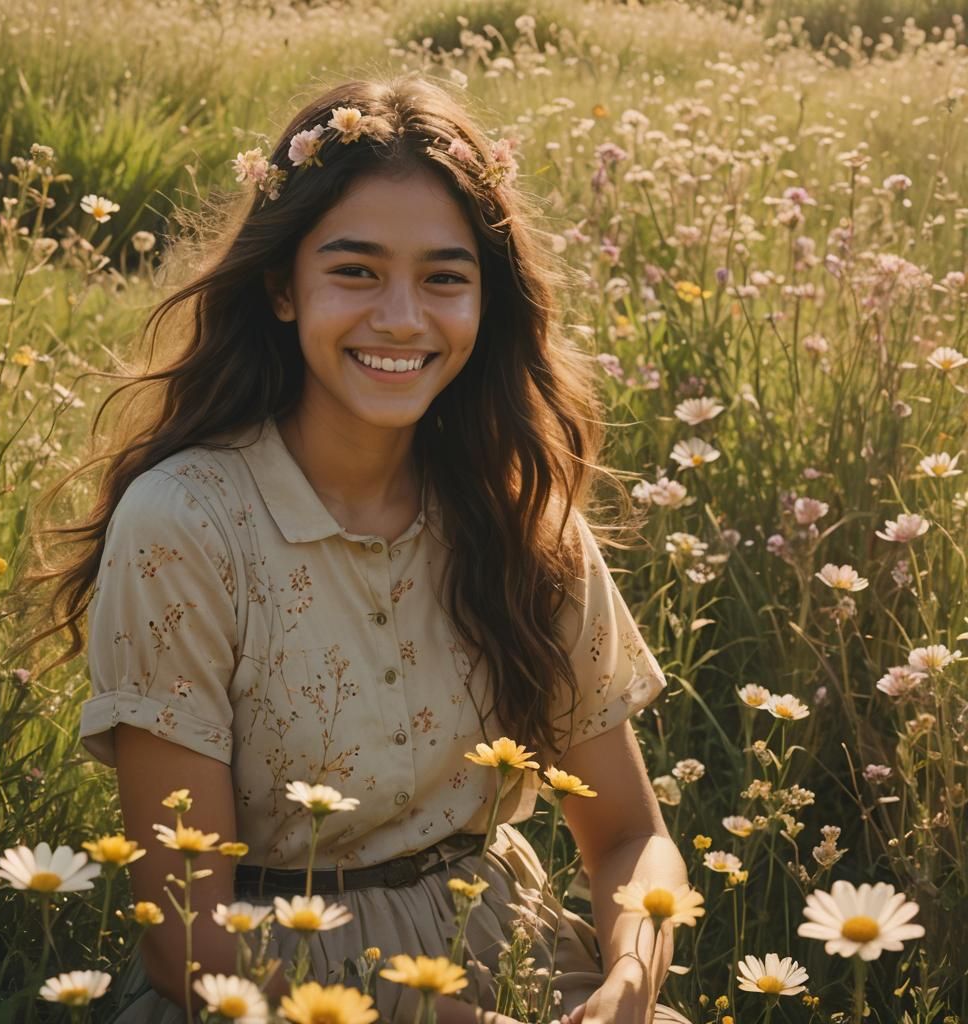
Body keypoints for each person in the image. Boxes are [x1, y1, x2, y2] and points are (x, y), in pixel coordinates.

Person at [66, 74, 691, 1023]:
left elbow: (629, 838)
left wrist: (628, 988)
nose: (402, 317)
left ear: (486, 302)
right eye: (356, 271)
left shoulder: (521, 515)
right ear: (282, 287)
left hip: (515, 960)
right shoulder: (186, 524)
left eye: (444, 277)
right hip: (270, 989)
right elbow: (184, 939)